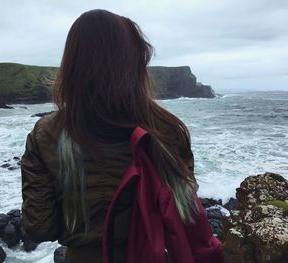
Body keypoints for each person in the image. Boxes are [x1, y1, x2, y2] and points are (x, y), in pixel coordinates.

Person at [21, 9, 199, 263]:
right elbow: (187, 212)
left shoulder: (45, 134)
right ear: (135, 63)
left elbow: (39, 227)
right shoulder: (168, 130)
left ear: (72, 64)